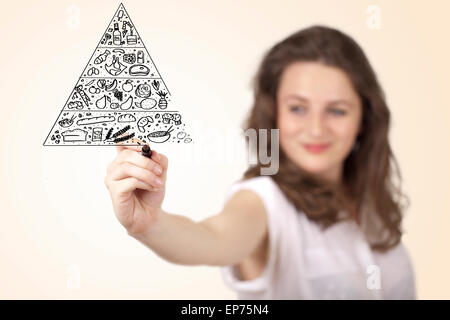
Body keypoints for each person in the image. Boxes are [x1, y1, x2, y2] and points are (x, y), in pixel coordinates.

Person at [104, 25, 416, 299]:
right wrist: (150, 225)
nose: (317, 129)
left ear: (364, 119)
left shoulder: (371, 207)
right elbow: (214, 239)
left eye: (337, 110)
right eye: (297, 108)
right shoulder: (263, 200)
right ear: (274, 114)